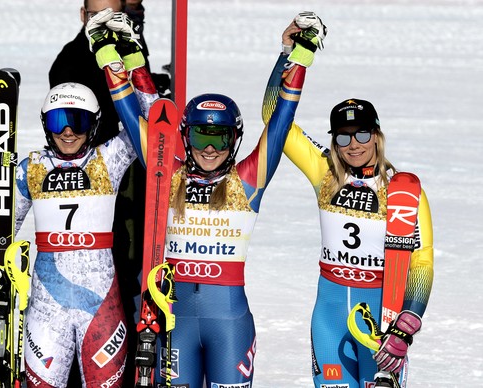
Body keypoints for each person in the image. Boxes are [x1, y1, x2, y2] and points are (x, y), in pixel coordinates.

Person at [84, 9, 327, 387]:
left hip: (228, 325)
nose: (210, 148)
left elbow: (280, 119)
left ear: (235, 140)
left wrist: (298, 56)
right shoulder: (169, 172)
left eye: (221, 138)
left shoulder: (247, 181)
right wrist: (110, 56)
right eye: (200, 137)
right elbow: (133, 113)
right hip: (175, 322)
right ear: (185, 136)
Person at [0, 82, 138, 387]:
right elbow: (6, 222)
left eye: (78, 120)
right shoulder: (31, 168)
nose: (68, 131)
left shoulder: (109, 159)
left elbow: (153, 123)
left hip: (101, 307)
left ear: (94, 123)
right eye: (59, 121)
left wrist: (122, 70)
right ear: (46, 124)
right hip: (47, 307)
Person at [49, 2, 170, 384]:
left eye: (123, 15)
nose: (114, 24)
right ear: (83, 17)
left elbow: (148, 116)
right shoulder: (72, 60)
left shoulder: (128, 42)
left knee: (133, 285)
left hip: (136, 187)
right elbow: (74, 136)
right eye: (100, 16)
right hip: (96, 195)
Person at [279, 94, 434, 385]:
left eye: (363, 134)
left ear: (376, 136)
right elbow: (275, 119)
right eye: (343, 137)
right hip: (329, 319)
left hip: (381, 321)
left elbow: (422, 262)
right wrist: (293, 58)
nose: (354, 145)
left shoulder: (401, 191)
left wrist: (406, 324)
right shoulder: (325, 173)